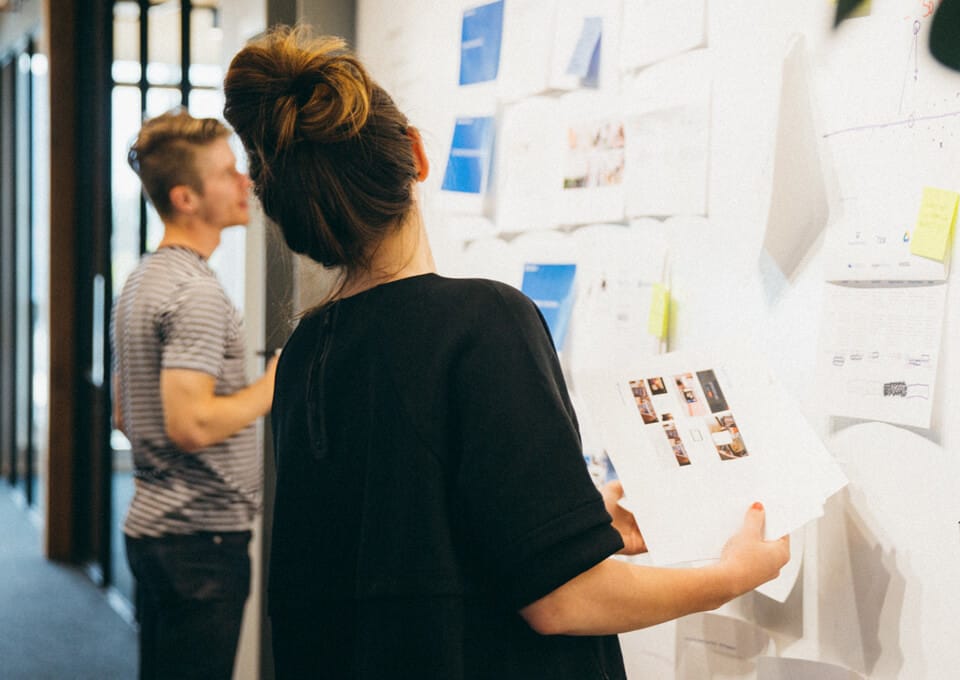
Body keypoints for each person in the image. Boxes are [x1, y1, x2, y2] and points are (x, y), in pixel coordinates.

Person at [222, 25, 789, 678]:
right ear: (415, 155)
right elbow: (563, 601)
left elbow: (410, 547)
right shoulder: (481, 322)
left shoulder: (303, 358)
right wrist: (732, 574)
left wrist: (573, 520)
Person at [111, 108, 278, 680]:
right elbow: (190, 424)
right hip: (199, 542)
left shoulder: (144, 279)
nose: (246, 182)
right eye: (229, 172)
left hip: (160, 533)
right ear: (185, 197)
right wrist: (270, 388)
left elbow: (125, 414)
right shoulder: (195, 293)